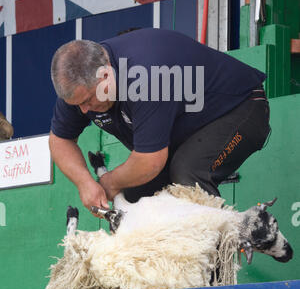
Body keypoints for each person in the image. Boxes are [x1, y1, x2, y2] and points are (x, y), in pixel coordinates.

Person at [49, 28, 270, 215]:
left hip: (241, 107)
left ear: (106, 74)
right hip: (183, 133)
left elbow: (150, 161)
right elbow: (59, 141)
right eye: (77, 104)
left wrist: (109, 182)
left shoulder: (146, 74)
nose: (84, 110)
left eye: (88, 100)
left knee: (188, 174)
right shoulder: (79, 84)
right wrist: (84, 182)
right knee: (133, 200)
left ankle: (214, 264)